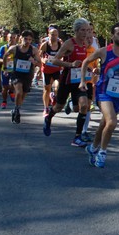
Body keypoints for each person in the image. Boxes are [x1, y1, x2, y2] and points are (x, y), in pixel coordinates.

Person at [81, 23, 119, 168]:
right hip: (103, 92)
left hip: (118, 94)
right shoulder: (104, 51)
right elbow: (85, 62)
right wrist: (83, 81)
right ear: (112, 36)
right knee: (112, 122)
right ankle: (102, 152)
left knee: (105, 123)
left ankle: (93, 148)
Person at [43, 18, 92, 147]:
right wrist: (70, 64)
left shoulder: (87, 43)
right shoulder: (69, 43)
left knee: (82, 107)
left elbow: (84, 60)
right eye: (82, 30)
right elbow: (55, 61)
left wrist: (90, 68)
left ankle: (77, 137)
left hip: (79, 80)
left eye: (87, 30)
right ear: (76, 31)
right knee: (58, 107)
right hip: (66, 79)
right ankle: (49, 118)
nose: (85, 33)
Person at [3, 30, 42, 124]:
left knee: (23, 95)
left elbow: (40, 63)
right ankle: (17, 111)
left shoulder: (34, 50)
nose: (27, 41)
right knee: (19, 92)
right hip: (16, 73)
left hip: (28, 75)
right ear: (21, 38)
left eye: (29, 39)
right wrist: (5, 68)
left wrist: (34, 62)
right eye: (25, 39)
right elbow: (5, 56)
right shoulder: (15, 48)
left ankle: (16, 109)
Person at [39, 26, 62, 117]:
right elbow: (39, 56)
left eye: (55, 35)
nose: (54, 37)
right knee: (47, 89)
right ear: (49, 35)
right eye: (52, 35)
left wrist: (62, 59)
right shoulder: (45, 45)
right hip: (47, 70)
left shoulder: (60, 44)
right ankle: (46, 108)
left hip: (56, 69)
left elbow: (63, 55)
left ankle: (54, 95)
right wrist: (42, 60)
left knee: (58, 86)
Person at [0, 32, 18, 110]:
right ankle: (4, 101)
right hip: (5, 69)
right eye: (10, 38)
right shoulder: (3, 48)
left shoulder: (18, 48)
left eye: (13, 38)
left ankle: (11, 91)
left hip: (14, 70)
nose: (12, 39)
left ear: (16, 39)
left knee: (14, 85)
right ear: (7, 39)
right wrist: (4, 60)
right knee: (5, 87)